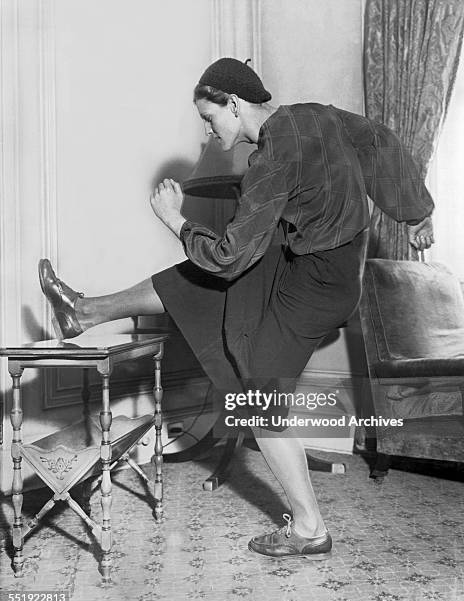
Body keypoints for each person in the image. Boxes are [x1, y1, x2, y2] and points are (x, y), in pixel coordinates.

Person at [39, 57, 435, 559]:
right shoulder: (312, 115)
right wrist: (418, 213)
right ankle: (86, 311)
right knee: (200, 284)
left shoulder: (271, 161)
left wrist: (174, 220)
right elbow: (381, 142)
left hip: (317, 283)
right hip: (320, 266)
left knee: (258, 399)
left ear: (235, 103)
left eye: (210, 118)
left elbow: (226, 257)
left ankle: (310, 529)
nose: (209, 131)